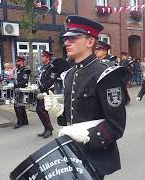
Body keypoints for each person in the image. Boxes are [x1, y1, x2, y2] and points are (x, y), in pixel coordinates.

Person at [44, 15, 127, 180]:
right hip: (74, 152)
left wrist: (89, 135)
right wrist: (60, 111)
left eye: (73, 38)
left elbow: (116, 126)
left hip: (96, 155)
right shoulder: (69, 74)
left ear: (90, 42)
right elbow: (74, 116)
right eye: (66, 38)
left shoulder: (105, 74)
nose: (67, 42)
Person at [35, 50, 55, 138]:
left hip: (46, 91)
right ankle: (46, 128)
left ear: (47, 58)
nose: (41, 58)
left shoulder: (52, 68)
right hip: (40, 91)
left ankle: (49, 129)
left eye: (43, 56)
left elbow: (50, 81)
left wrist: (42, 88)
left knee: (42, 110)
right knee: (39, 110)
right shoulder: (43, 67)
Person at [13, 56, 31, 129]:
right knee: (20, 106)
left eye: (18, 61)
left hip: (21, 89)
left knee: (18, 106)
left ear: (22, 62)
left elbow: (24, 81)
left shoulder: (26, 70)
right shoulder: (18, 70)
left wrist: (17, 85)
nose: (16, 63)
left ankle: (20, 122)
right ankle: (25, 121)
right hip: (17, 89)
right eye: (16, 61)